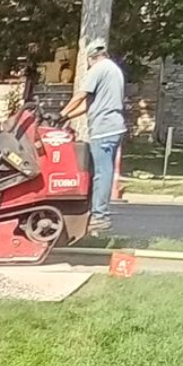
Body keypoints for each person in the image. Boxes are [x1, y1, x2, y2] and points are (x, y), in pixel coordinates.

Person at [60, 38, 126, 233]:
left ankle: (100, 216)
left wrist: (61, 113)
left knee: (101, 174)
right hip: (115, 127)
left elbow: (80, 95)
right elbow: (89, 104)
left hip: (104, 129)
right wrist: (67, 117)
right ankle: (96, 212)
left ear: (90, 58)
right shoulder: (114, 70)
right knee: (101, 171)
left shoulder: (97, 69)